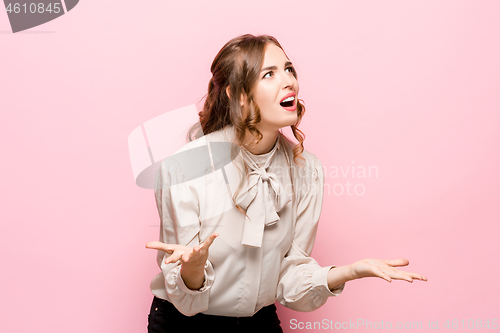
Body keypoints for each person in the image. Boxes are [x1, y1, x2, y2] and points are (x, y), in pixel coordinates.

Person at [145, 34, 427, 333]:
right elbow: (186, 301)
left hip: (259, 323)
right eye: (269, 74)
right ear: (237, 95)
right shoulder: (185, 168)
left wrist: (347, 272)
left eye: (289, 69)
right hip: (183, 325)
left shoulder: (306, 168)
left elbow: (289, 280)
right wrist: (192, 270)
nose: (289, 81)